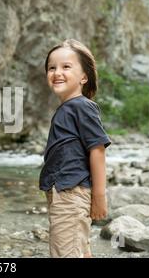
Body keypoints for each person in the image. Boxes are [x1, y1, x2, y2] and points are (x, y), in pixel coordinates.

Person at [39, 39, 111, 258]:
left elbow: (97, 150)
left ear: (84, 77)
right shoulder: (67, 108)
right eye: (52, 67)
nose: (57, 72)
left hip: (71, 191)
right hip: (63, 190)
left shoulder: (82, 106)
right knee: (78, 249)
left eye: (66, 66)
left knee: (66, 252)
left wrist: (99, 196)